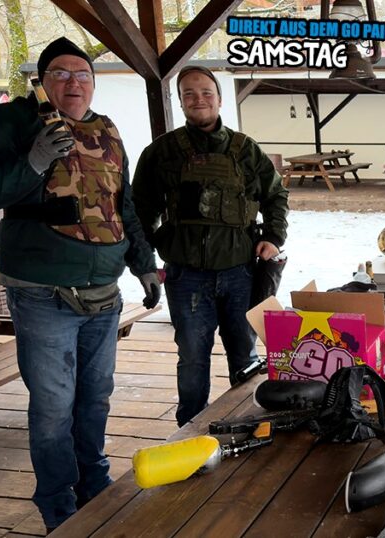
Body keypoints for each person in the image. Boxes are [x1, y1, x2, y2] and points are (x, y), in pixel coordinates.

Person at [0, 37, 160, 532]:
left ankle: (94, 483)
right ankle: (57, 506)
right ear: (42, 82)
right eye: (61, 74)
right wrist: (32, 160)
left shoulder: (106, 129)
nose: (74, 82)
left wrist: (144, 263)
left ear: (93, 83)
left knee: (95, 397)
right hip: (42, 290)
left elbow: (122, 205)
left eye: (83, 74)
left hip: (104, 290)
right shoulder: (12, 121)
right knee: (53, 406)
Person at [132, 66, 289, 427]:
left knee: (245, 356)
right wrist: (144, 262)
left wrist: (273, 236)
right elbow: (141, 210)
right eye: (189, 93)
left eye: (206, 92)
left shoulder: (245, 149)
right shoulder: (162, 152)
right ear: (180, 101)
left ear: (219, 99)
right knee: (192, 358)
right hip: (186, 276)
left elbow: (275, 195)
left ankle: (249, 424)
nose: (198, 99)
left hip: (240, 272)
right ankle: (189, 430)